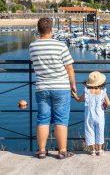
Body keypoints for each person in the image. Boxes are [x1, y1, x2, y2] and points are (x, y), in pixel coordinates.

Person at [29, 17, 77, 159]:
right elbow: (69, 68)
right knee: (61, 119)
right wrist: (73, 85)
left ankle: (42, 150)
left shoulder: (32, 46)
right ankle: (62, 151)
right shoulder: (60, 46)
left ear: (38, 31)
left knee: (43, 119)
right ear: (51, 30)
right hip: (61, 87)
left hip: (42, 87)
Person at [72, 71, 110, 156]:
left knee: (90, 131)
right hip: (99, 115)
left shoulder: (87, 92)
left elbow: (79, 100)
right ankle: (100, 150)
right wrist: (103, 104)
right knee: (100, 131)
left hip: (89, 116)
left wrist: (74, 95)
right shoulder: (103, 91)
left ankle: (92, 150)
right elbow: (108, 103)